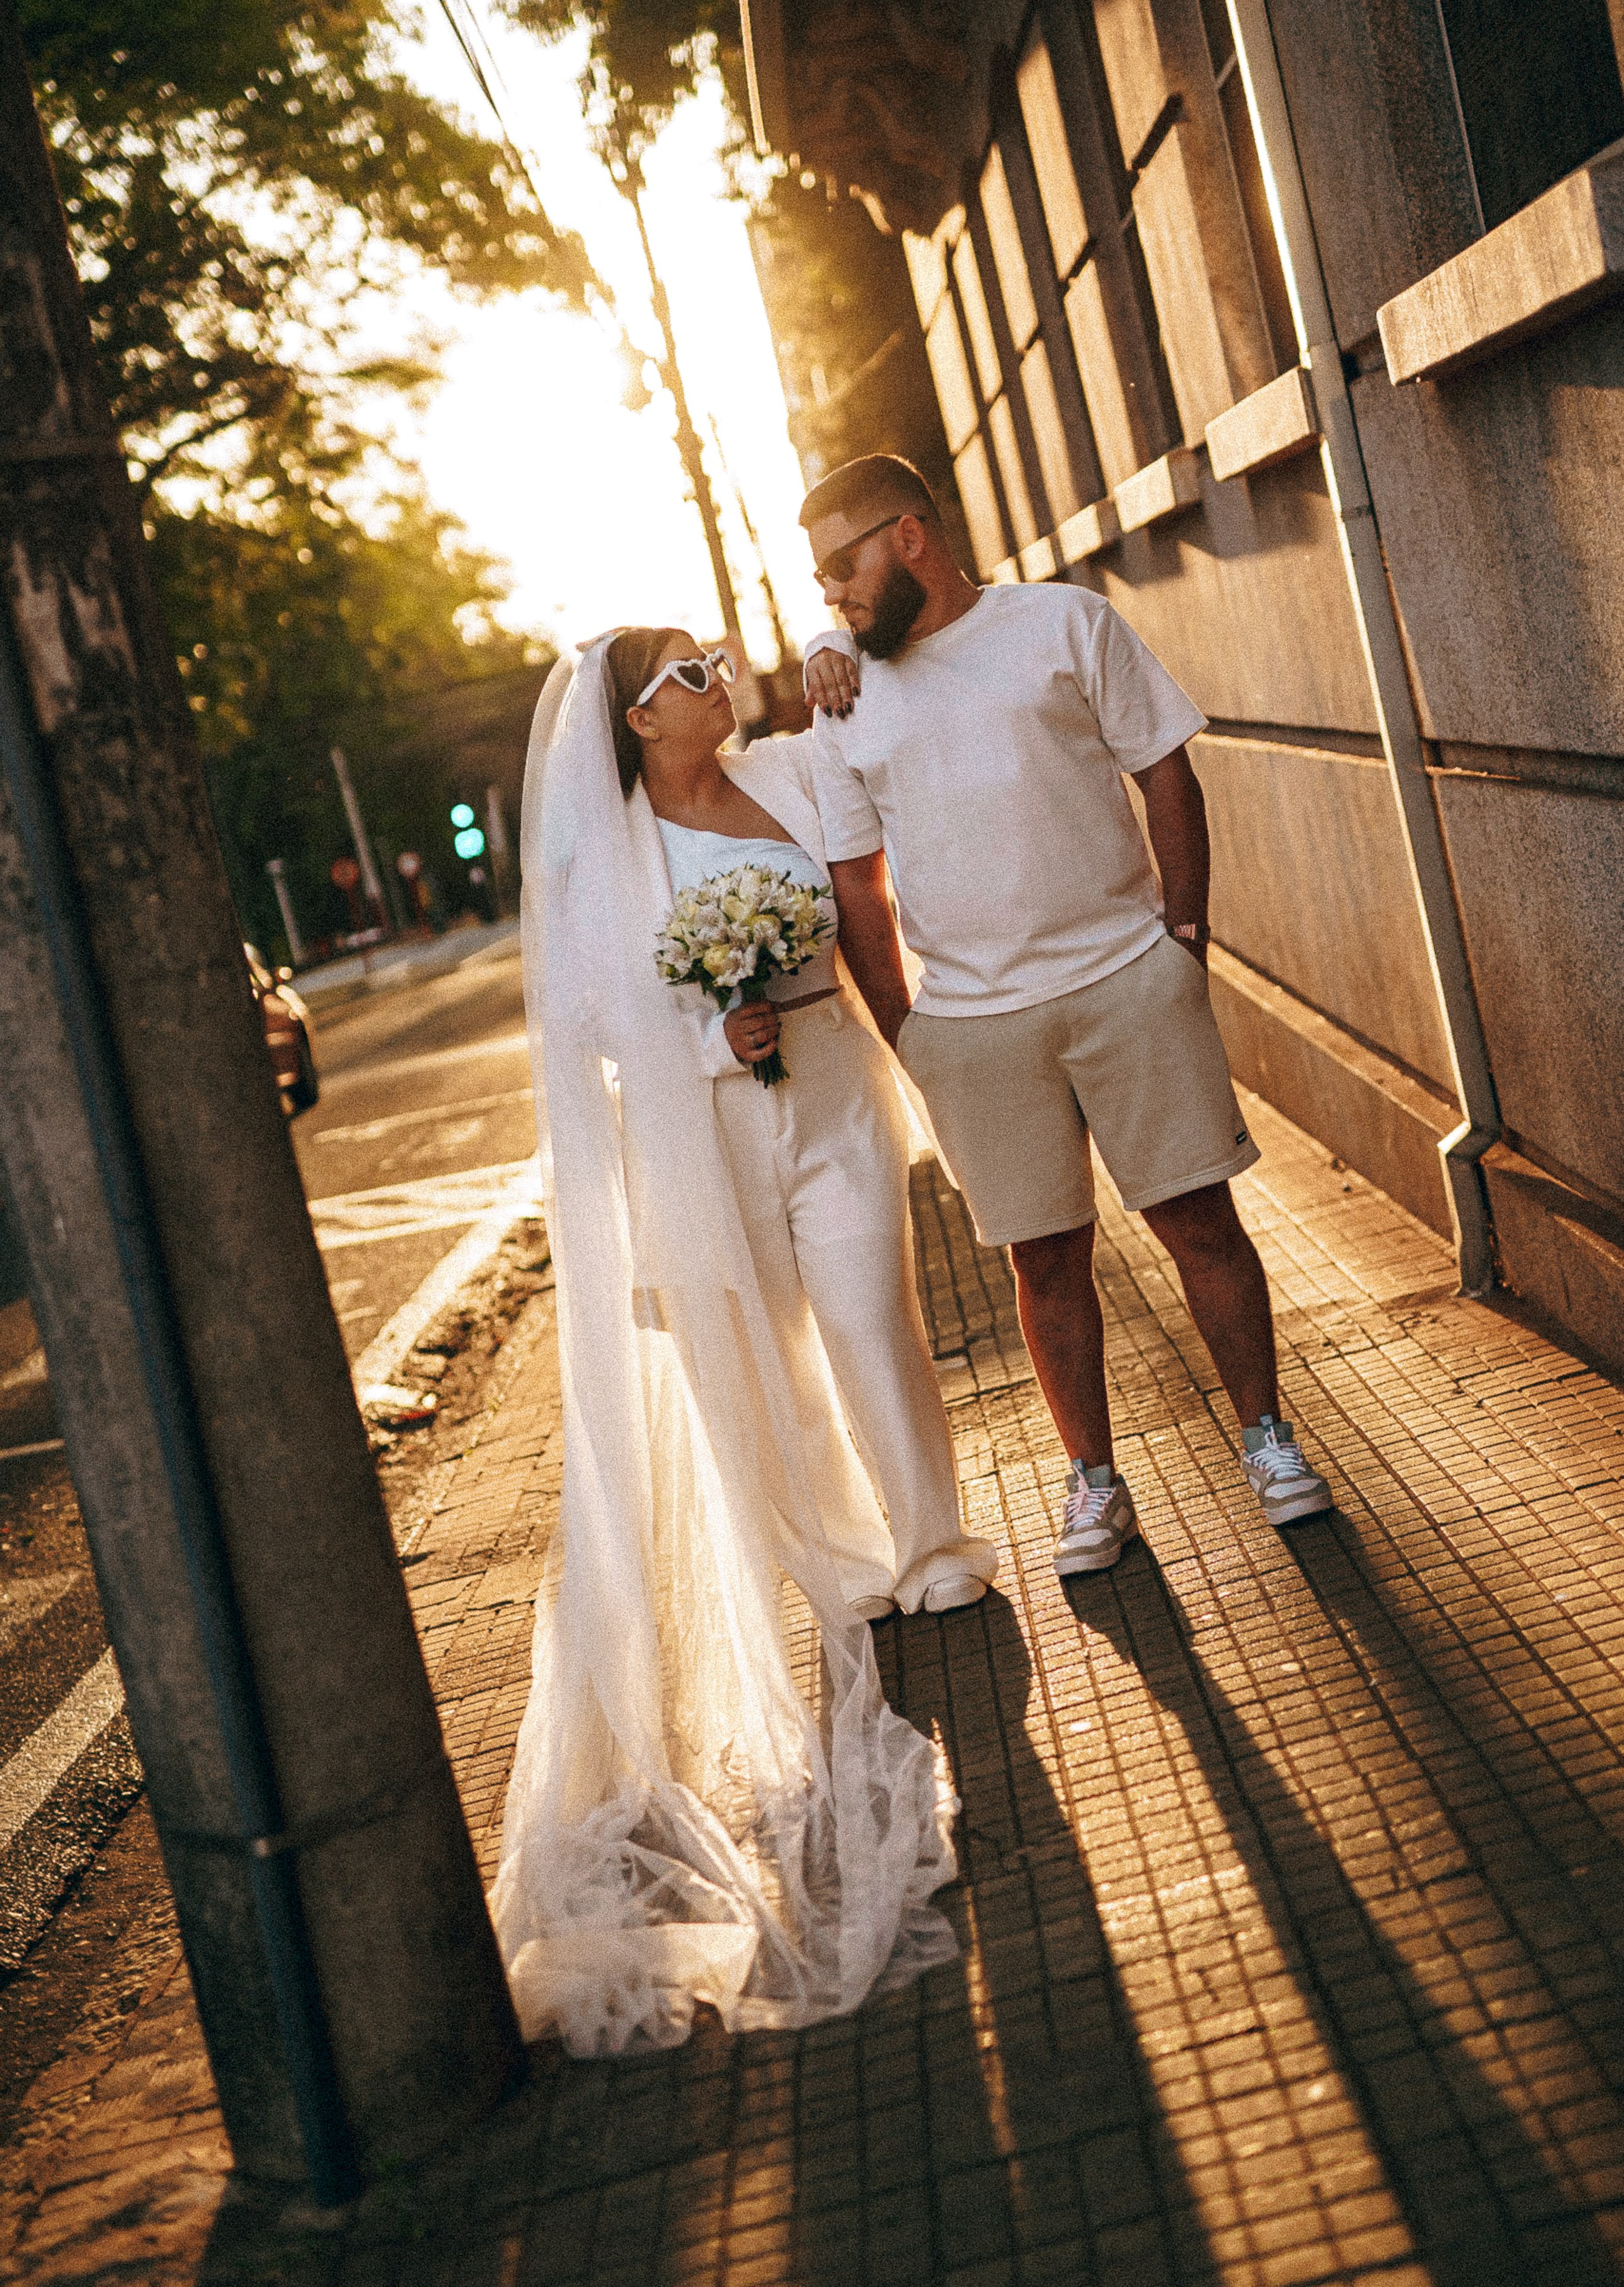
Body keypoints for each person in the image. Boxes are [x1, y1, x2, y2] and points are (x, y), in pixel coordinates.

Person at [493, 626, 995, 2058]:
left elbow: (869, 753)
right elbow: (590, 1017)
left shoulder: (785, 764)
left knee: (868, 1311)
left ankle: (933, 1543)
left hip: (834, 1088)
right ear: (636, 723)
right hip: (710, 1124)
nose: (714, 681)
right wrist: (725, 1019)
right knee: (770, 1349)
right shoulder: (613, 850)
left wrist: (839, 654)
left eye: (714, 660)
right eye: (683, 676)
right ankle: (841, 1562)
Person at [797, 452, 1331, 1582]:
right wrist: (913, 1034)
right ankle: (1095, 1481)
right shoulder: (842, 699)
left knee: (1198, 1222)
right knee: (1044, 1263)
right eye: (817, 587)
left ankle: (1268, 1439)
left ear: (909, 538)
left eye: (839, 570)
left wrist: (1182, 941)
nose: (829, 599)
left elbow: (1168, 774)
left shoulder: (1062, 625)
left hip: (1125, 977)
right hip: (976, 1025)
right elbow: (856, 885)